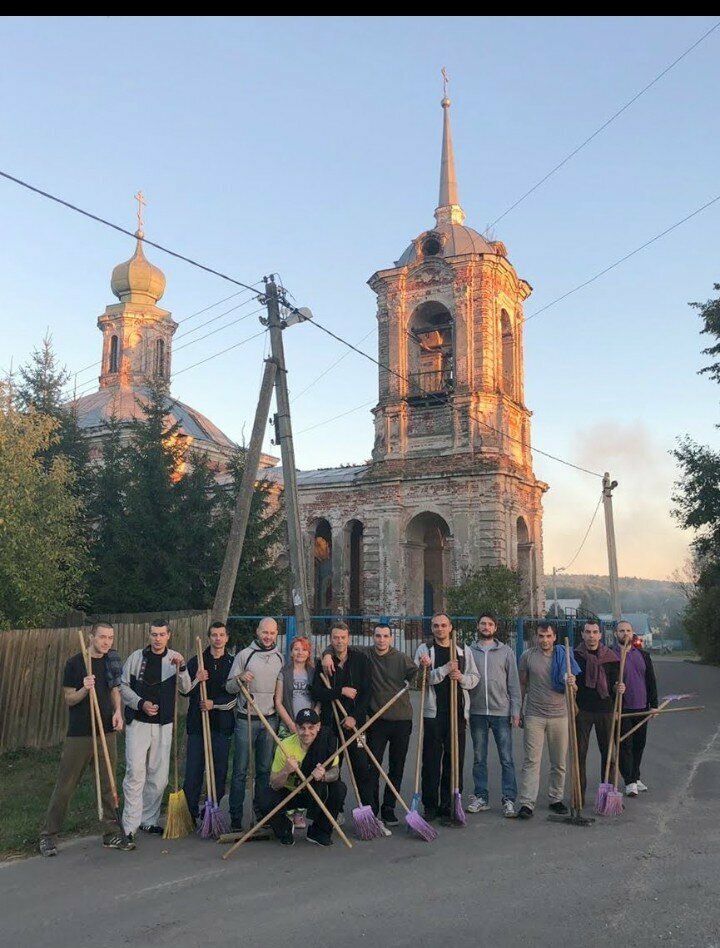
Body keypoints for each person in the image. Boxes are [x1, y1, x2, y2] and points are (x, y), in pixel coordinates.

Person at [39, 622, 131, 855]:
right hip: (80, 733)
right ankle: (48, 835)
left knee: (109, 785)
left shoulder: (111, 660)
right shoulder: (75, 663)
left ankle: (111, 834)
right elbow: (69, 698)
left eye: (110, 637)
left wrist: (118, 712)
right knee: (66, 785)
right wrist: (83, 688)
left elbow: (114, 689)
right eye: (102, 637)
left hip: (106, 732)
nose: (106, 642)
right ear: (91, 637)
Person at [322, 622, 417, 826]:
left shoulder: (401, 658)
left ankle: (389, 808)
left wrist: (419, 674)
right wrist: (327, 654)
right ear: (373, 637)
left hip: (401, 719)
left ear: (391, 638)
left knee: (396, 767)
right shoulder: (366, 654)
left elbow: (417, 676)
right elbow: (339, 645)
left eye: (385, 636)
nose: (381, 640)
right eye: (378, 636)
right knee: (372, 767)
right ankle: (371, 809)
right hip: (375, 722)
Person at [120, 620, 190, 840]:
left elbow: (187, 689)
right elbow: (122, 686)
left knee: (159, 778)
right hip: (138, 723)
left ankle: (147, 820)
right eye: (154, 634)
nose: (157, 639)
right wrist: (141, 703)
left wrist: (183, 668)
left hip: (164, 724)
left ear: (169, 635)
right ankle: (129, 826)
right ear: (149, 635)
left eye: (161, 634)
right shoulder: (135, 658)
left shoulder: (175, 659)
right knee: (135, 773)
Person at [415, 613, 479, 824]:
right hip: (434, 714)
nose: (440, 629)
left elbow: (474, 678)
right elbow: (420, 682)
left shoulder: (462, 650)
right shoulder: (425, 650)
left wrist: (460, 677)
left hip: (457, 713)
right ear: (432, 628)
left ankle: (449, 804)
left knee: (454, 760)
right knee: (431, 761)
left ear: (450, 627)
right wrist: (442, 670)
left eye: (443, 625)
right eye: (435, 626)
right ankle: (430, 805)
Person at [310, 621, 376, 824]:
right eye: (336, 638)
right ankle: (333, 811)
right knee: (331, 769)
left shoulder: (361, 660)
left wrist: (354, 716)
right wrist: (340, 692)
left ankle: (368, 814)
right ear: (331, 640)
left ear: (349, 638)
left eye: (343, 637)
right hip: (330, 724)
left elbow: (366, 693)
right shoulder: (323, 664)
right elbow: (317, 692)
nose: (339, 641)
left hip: (355, 725)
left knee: (362, 768)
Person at [516, 621, 579, 819]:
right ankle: (527, 803)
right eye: (541, 636)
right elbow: (522, 684)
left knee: (558, 762)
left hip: (560, 715)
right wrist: (518, 710)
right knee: (531, 761)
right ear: (536, 637)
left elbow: (573, 688)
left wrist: (572, 683)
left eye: (548, 636)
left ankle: (556, 799)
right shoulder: (527, 656)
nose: (544, 640)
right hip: (535, 714)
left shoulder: (565, 656)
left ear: (554, 637)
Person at [226, 617, 284, 832]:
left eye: (272, 633)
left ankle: (261, 813)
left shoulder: (279, 657)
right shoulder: (244, 655)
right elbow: (230, 687)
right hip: (246, 720)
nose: (268, 636)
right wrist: (240, 678)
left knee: (263, 770)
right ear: (257, 632)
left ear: (276, 634)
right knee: (240, 770)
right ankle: (236, 817)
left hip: (269, 719)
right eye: (264, 632)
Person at [259, 707, 346, 847]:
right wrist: (286, 770)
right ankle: (285, 829)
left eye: (311, 727)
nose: (307, 733)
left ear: (318, 727)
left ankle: (319, 832)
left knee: (339, 789)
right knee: (264, 797)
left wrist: (323, 775)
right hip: (291, 792)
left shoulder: (327, 743)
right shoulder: (285, 745)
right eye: (302, 728)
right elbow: (274, 784)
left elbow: (335, 773)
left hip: (315, 790)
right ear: (296, 727)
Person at [466, 613, 521, 818]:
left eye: (490, 624)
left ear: (495, 628)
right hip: (477, 712)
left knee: (506, 758)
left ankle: (508, 799)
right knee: (479, 758)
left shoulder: (506, 651)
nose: (486, 627)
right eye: (483, 624)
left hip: (501, 712)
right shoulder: (470, 651)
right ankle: (481, 797)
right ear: (478, 626)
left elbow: (514, 683)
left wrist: (515, 711)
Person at [181, 621, 236, 822]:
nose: (218, 638)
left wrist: (215, 704)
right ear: (209, 637)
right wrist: (196, 679)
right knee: (194, 771)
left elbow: (235, 696)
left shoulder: (232, 664)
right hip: (197, 725)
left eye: (221, 635)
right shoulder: (197, 661)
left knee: (219, 771)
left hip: (222, 725)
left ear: (227, 638)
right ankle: (190, 814)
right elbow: (184, 690)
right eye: (214, 635)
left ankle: (210, 811)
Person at [573, 620, 621, 804]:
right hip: (582, 711)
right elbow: (571, 683)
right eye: (588, 632)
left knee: (609, 754)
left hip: (606, 710)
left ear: (600, 635)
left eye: (595, 632)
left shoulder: (611, 657)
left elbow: (616, 683)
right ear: (583, 634)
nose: (591, 636)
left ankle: (607, 797)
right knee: (579, 755)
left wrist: (619, 687)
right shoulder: (575, 656)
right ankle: (579, 797)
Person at [275, 635, 318, 829]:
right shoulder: (284, 673)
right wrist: (292, 724)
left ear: (309, 653)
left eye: (304, 649)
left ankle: (301, 812)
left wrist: (310, 723)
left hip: (308, 729)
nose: (300, 653)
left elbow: (318, 701)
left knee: (305, 769)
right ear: (291, 652)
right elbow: (278, 701)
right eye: (296, 649)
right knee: (290, 768)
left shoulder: (313, 673)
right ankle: (289, 810)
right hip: (290, 725)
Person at [614, 619, 658, 796]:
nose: (625, 634)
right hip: (622, 709)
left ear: (633, 633)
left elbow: (651, 682)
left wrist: (653, 706)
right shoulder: (611, 655)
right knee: (625, 745)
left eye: (628, 630)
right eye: (622, 631)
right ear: (616, 634)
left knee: (640, 744)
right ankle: (629, 781)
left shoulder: (643, 655)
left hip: (642, 707)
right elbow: (609, 683)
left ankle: (636, 776)